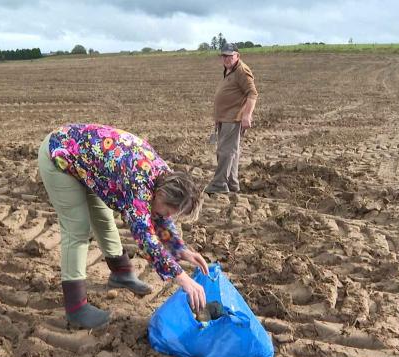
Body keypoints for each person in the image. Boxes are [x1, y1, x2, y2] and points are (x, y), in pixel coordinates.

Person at [37, 123, 208, 329]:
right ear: (161, 195)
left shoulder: (166, 178)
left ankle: (121, 273)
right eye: (170, 212)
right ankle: (76, 308)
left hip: (90, 164)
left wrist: (180, 250)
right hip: (59, 155)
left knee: (103, 216)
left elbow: (160, 215)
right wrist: (181, 277)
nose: (168, 217)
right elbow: (145, 237)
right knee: (77, 229)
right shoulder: (138, 184)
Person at [204, 42, 258, 195]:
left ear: (237, 56)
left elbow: (252, 94)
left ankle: (219, 184)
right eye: (224, 56)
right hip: (225, 118)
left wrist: (247, 115)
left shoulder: (241, 70)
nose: (226, 58)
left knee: (225, 152)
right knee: (231, 152)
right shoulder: (229, 70)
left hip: (233, 119)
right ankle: (232, 183)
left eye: (229, 56)